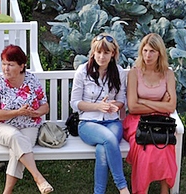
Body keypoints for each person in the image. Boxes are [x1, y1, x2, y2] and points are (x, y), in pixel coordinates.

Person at [0, 45, 52, 194]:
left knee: (18, 150)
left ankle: (7, 192)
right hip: (1, 126)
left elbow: (45, 106)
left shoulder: (32, 80)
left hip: (29, 125)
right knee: (16, 137)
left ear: (22, 66)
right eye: (4, 64)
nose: (6, 69)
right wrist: (17, 112)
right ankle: (38, 177)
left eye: (10, 65)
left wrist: (35, 113)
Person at [71, 34, 130, 194]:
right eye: (98, 52)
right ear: (93, 52)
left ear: (113, 54)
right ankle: (123, 187)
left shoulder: (119, 72)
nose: (101, 56)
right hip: (88, 123)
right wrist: (98, 107)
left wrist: (113, 106)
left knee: (102, 149)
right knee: (109, 139)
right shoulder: (83, 71)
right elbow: (74, 103)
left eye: (106, 53)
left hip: (112, 122)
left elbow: (121, 100)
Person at [122, 34, 178, 194]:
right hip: (137, 120)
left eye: (152, 51)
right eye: (145, 50)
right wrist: (160, 106)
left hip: (160, 120)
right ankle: (142, 190)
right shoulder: (134, 73)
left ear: (160, 53)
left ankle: (164, 191)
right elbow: (133, 107)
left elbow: (171, 106)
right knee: (145, 147)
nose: (148, 55)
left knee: (165, 145)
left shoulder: (168, 74)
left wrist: (144, 101)